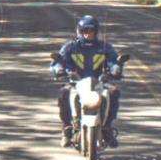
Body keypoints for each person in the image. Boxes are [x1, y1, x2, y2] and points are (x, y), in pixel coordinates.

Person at [51, 14, 124, 147]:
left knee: (114, 92)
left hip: (99, 83)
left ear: (96, 32)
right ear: (79, 31)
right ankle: (67, 128)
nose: (88, 34)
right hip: (75, 83)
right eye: (85, 31)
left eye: (91, 31)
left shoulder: (105, 47)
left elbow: (113, 61)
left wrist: (116, 69)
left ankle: (107, 127)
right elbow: (58, 61)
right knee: (63, 93)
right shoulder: (70, 47)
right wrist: (59, 69)